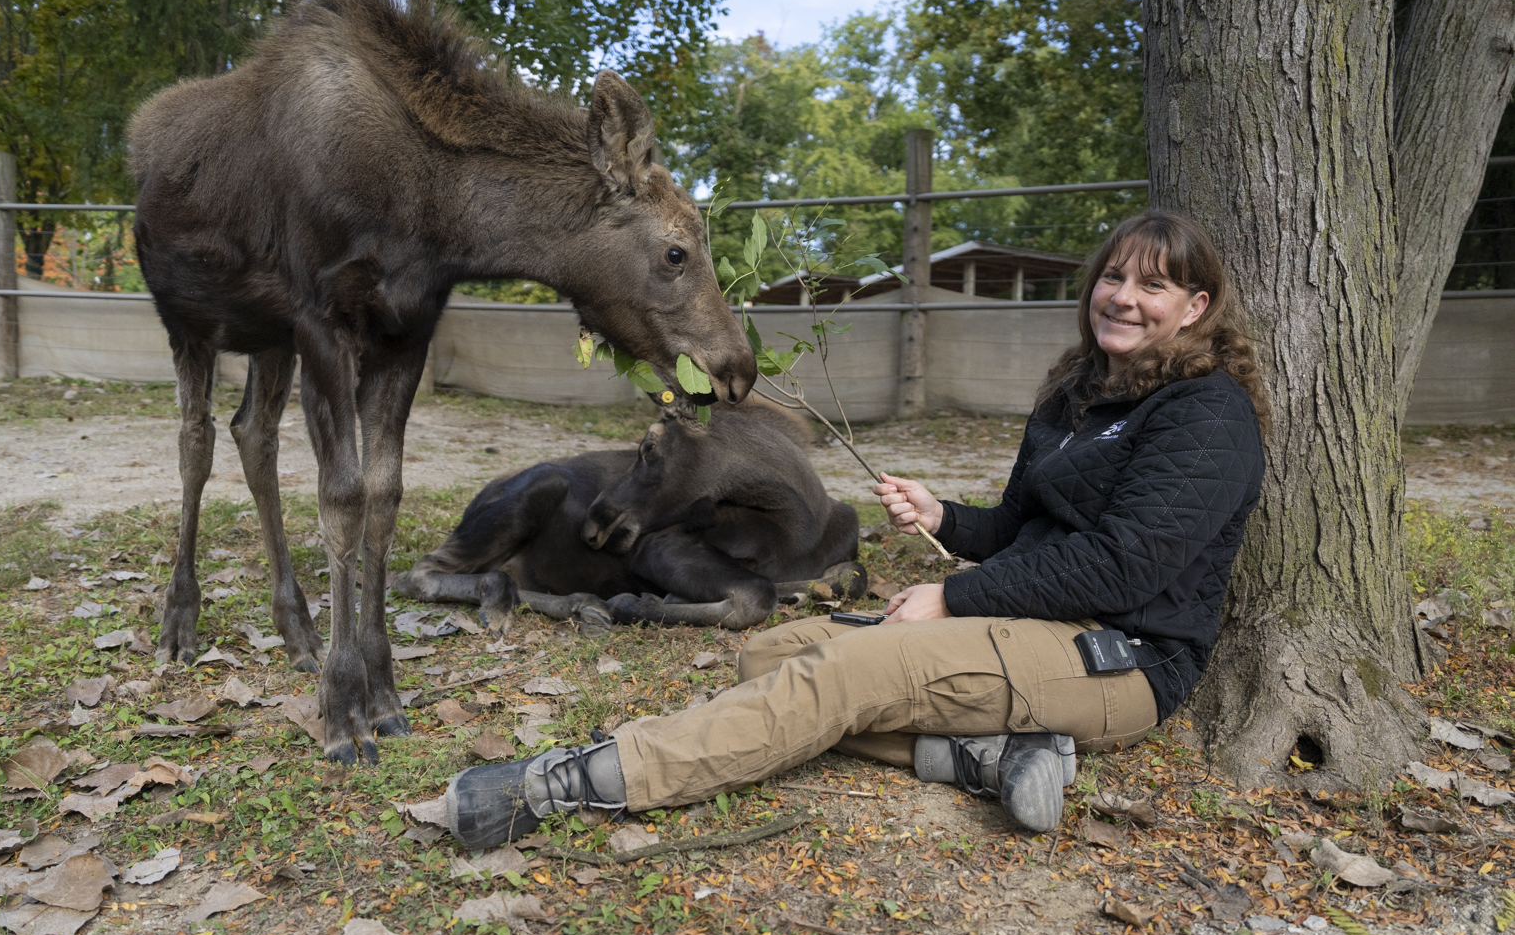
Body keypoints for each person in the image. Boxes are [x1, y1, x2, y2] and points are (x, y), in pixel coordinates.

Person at [441, 208, 1268, 847]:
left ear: (1195, 307)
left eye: (1152, 286)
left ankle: (567, 783)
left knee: (835, 679)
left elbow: (1123, 566)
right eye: (1114, 277)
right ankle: (984, 755)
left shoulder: (1207, 412)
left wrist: (954, 598)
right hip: (1030, 621)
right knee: (766, 651)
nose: (1123, 297)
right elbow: (1022, 524)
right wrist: (946, 516)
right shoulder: (1076, 392)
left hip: (1119, 655)